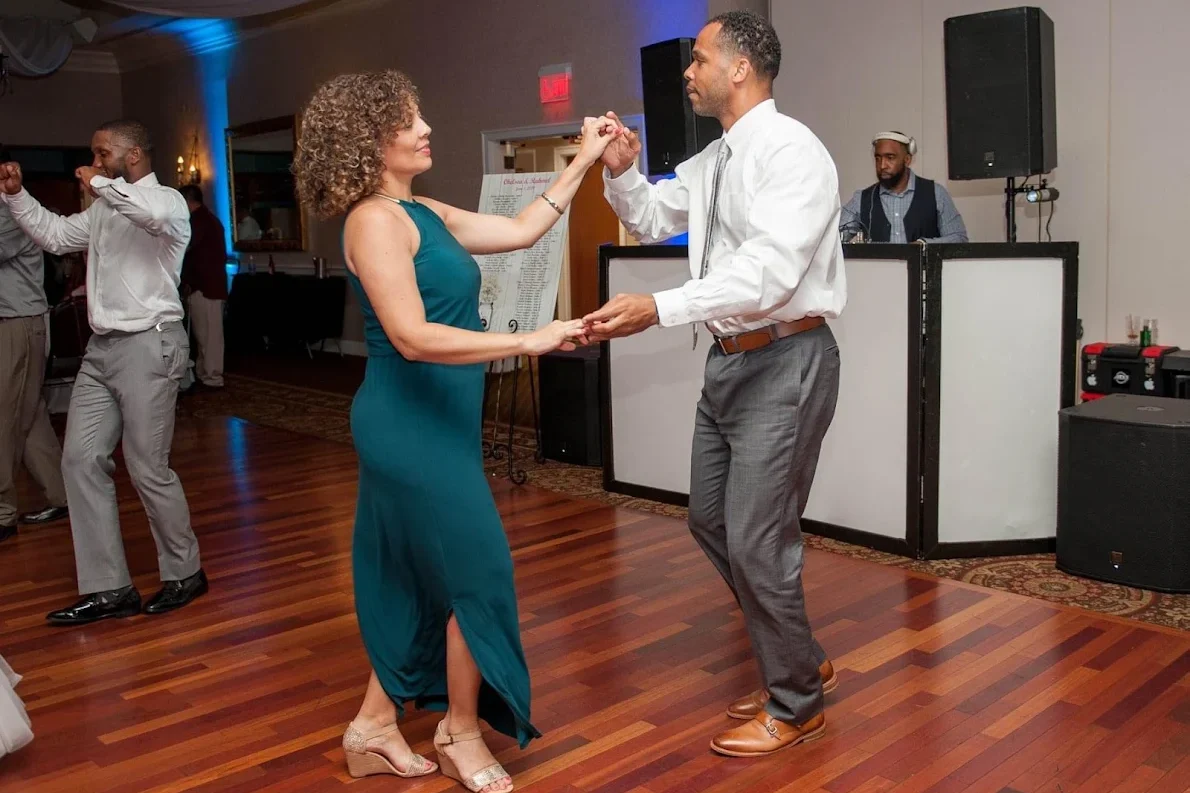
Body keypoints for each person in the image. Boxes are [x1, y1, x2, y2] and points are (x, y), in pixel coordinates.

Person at [292, 70, 618, 792]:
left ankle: (372, 727)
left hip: (442, 420)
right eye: (409, 121)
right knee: (479, 570)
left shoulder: (422, 211)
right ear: (370, 140)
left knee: (421, 577)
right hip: (407, 425)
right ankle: (459, 731)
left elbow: (523, 228)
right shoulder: (373, 221)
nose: (426, 129)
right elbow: (410, 336)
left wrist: (585, 157)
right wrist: (529, 339)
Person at [586, 11, 846, 758]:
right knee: (712, 521)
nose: (688, 72)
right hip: (730, 361)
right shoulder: (714, 159)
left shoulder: (793, 152)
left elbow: (769, 275)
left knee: (759, 541)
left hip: (785, 358)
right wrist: (622, 169)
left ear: (740, 68)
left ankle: (796, 704)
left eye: (699, 59)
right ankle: (801, 658)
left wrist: (659, 307)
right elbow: (649, 215)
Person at [0, 120, 208, 626]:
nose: (93, 162)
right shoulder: (102, 211)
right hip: (102, 350)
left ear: (132, 155)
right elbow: (54, 236)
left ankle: (186, 572)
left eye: (102, 153)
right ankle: (109, 587)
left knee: (147, 467)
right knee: (79, 459)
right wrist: (17, 195)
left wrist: (97, 184)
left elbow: (146, 212)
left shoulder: (166, 202)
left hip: (150, 344)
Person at [0, 146, 69, 541]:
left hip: (19, 323)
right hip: (15, 321)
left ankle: (2, 513)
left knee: (7, 416)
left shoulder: (13, 211)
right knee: (29, 416)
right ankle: (62, 495)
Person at [839, 131, 968, 243]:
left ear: (907, 160)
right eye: (878, 158)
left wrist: (924, 245)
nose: (882, 165)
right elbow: (835, 236)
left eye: (890, 157)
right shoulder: (862, 199)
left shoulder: (936, 193)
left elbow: (959, 238)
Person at [179, 184, 228, 389]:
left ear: (187, 201)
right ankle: (204, 373)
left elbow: (187, 250)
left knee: (209, 336)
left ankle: (212, 376)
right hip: (208, 286)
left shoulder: (199, 222)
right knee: (205, 334)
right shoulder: (209, 220)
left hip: (206, 288)